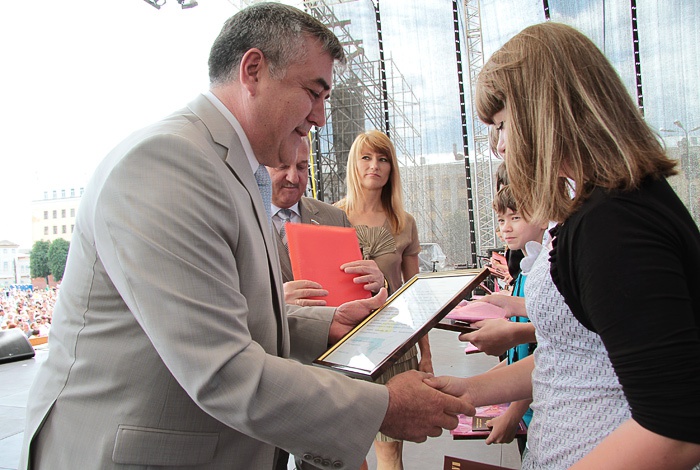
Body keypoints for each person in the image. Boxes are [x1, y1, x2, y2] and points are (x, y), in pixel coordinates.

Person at [19, 5, 471, 470]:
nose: (320, 117)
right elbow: (221, 368)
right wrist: (384, 408)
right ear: (253, 70)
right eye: (313, 93)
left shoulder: (232, 169)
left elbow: (221, 311)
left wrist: (326, 324)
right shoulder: (170, 162)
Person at [427, 22, 700, 469]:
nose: (500, 146)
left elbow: (674, 429)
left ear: (545, 112)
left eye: (502, 125)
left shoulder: (615, 224)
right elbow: (571, 358)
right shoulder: (599, 208)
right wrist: (469, 390)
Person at [336, 129, 432, 470]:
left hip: (395, 345)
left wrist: (426, 353)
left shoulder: (404, 223)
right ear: (354, 164)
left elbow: (415, 293)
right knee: (347, 453)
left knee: (390, 452)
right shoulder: (331, 217)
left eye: (383, 158)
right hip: (344, 347)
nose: (374, 165)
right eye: (366, 157)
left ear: (392, 168)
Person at [462, 184, 545, 452]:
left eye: (515, 217)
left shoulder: (546, 274)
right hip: (529, 409)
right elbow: (519, 357)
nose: (505, 228)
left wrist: (512, 414)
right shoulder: (526, 272)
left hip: (542, 408)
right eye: (501, 220)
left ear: (544, 217)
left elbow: (545, 354)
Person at [266, 135, 386, 307]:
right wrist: (275, 301)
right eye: (282, 166)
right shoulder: (241, 218)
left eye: (301, 167)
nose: (293, 178)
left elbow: (361, 290)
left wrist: (379, 283)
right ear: (262, 166)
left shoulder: (335, 218)